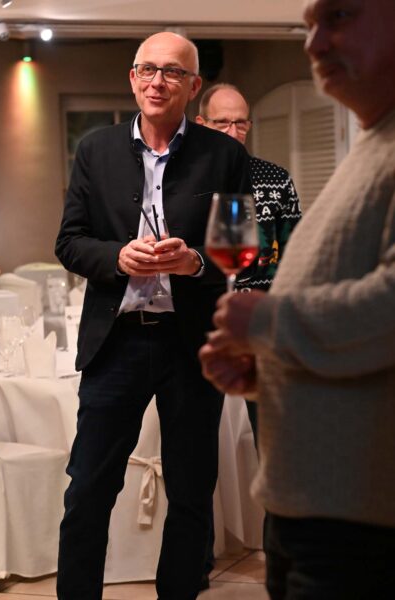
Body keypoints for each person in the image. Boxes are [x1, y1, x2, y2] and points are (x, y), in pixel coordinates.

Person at [199, 0, 395, 598]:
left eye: (338, 16)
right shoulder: (372, 144)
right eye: (309, 25)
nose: (312, 44)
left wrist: (268, 322)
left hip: (361, 524)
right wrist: (271, 364)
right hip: (313, 510)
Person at [55, 32, 251, 600]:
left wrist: (195, 262)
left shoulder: (225, 156)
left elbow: (239, 250)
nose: (156, 81)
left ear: (193, 85)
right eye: (146, 69)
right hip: (115, 341)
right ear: (132, 78)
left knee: (191, 492)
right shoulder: (95, 150)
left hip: (191, 344)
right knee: (88, 489)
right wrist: (116, 257)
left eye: (171, 71)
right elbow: (69, 242)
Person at [196, 83, 302, 442]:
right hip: (199, 322)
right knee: (198, 437)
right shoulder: (184, 180)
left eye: (240, 123)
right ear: (201, 124)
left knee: (274, 435)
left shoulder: (276, 179)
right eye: (222, 123)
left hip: (261, 325)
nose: (233, 132)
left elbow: (293, 254)